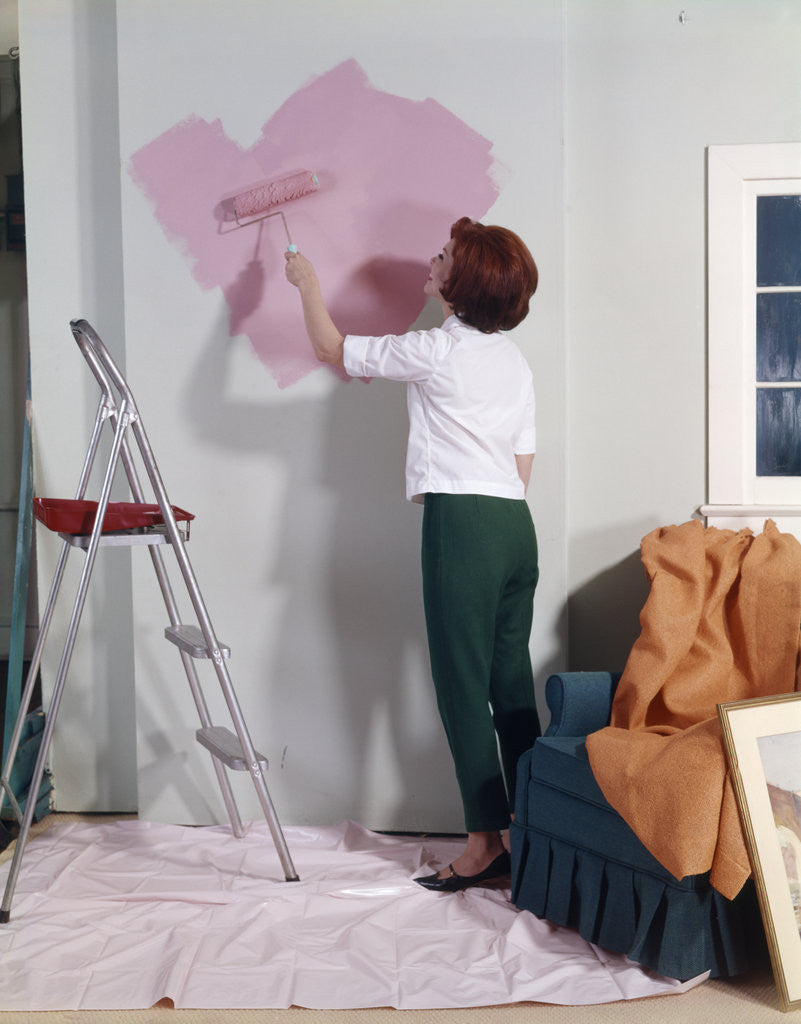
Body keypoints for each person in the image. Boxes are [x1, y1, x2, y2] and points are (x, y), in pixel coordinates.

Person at [285, 217, 541, 892]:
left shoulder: (435, 349)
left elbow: (328, 348)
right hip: (515, 525)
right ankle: (531, 836)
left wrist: (307, 282)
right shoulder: (513, 361)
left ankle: (483, 842)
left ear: (462, 282)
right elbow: (524, 460)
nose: (431, 261)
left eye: (444, 256)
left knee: (460, 688)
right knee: (510, 689)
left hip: (463, 523)